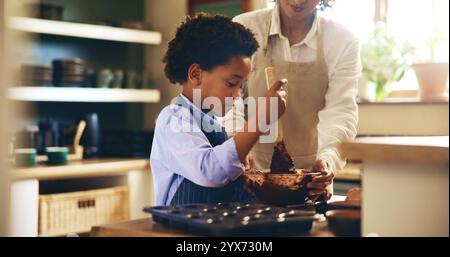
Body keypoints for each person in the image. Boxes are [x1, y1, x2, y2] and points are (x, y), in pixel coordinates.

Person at [222, 0, 361, 200]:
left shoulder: (342, 41)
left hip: (310, 184)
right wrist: (237, 146)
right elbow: (230, 100)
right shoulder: (245, 27)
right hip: (248, 176)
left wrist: (328, 159)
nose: (298, 1)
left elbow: (340, 111)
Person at [150, 14, 288, 206]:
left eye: (241, 85)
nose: (238, 94)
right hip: (179, 231)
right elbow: (210, 171)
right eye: (232, 83)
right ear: (196, 74)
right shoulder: (173, 119)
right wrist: (261, 119)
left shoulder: (215, 126)